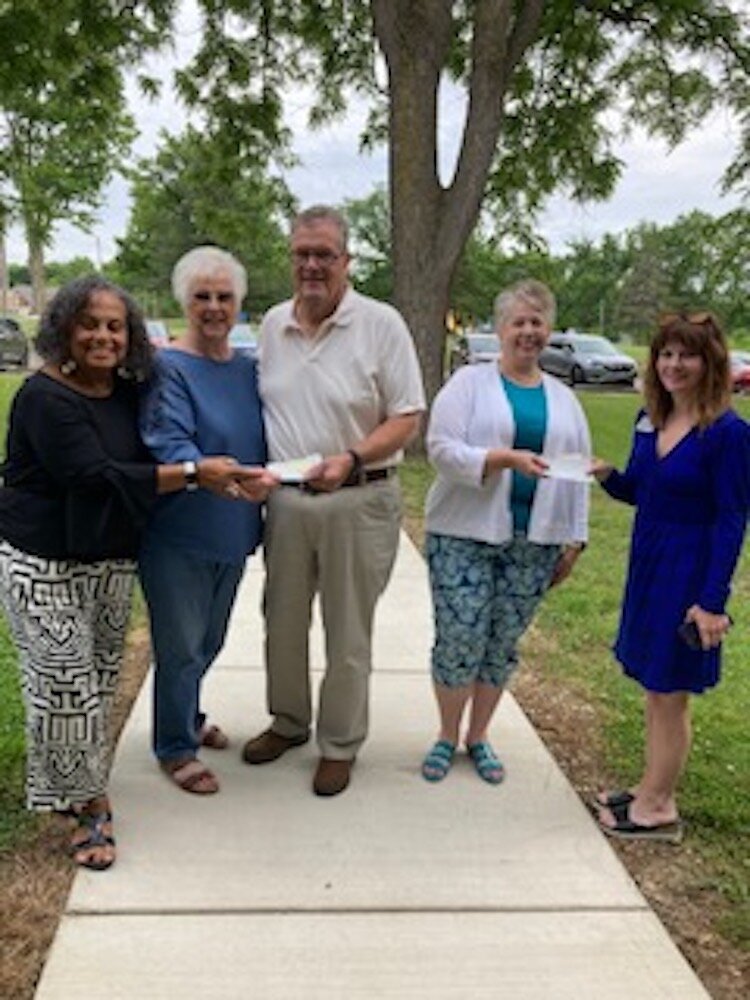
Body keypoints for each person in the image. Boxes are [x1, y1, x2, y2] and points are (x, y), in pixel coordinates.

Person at [0, 276, 252, 870]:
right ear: (63, 328)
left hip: (109, 561)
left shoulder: (126, 389)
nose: (102, 337)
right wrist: (195, 474)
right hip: (44, 563)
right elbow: (95, 477)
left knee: (96, 685)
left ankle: (68, 783)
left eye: (115, 326)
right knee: (64, 689)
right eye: (89, 324)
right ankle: (90, 808)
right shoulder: (43, 397)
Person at [242, 205, 426, 797]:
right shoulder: (272, 325)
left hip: (359, 498)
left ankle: (340, 743)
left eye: (325, 254)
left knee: (348, 631)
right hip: (289, 503)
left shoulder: (381, 324)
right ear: (290, 258)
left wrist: (351, 457)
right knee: (283, 622)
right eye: (303, 254)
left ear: (347, 261)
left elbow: (408, 417)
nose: (313, 265)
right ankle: (290, 723)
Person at [421, 279, 590, 784]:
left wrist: (575, 539)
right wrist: (500, 459)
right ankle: (447, 735)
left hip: (534, 541)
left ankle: (479, 736)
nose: (528, 332)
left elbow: (575, 469)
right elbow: (441, 449)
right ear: (500, 329)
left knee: (501, 643)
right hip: (462, 535)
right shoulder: (469, 385)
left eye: (537, 322)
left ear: (549, 331)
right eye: (518, 321)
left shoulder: (563, 399)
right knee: (460, 637)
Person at [592, 312, 750, 843]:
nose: (673, 365)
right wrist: (607, 476)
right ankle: (648, 789)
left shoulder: (727, 434)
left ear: (710, 363)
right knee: (655, 687)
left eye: (687, 355)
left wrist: (711, 601)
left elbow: (731, 520)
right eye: (665, 354)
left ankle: (658, 808)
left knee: (671, 689)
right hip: (649, 565)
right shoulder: (650, 418)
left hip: (689, 572)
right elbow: (642, 489)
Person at [139, 246, 278, 795]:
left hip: (235, 528)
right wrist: (209, 472)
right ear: (184, 302)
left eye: (225, 296)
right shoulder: (167, 367)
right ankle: (175, 746)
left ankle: (188, 716)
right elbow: (168, 442)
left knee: (212, 639)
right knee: (180, 644)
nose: (214, 307)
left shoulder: (248, 369)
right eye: (203, 296)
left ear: (240, 304)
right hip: (179, 529)